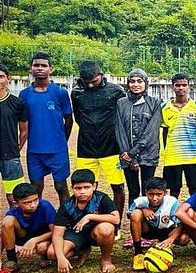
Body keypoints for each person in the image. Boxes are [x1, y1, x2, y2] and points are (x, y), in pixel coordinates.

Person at [72, 61, 126, 219]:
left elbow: (122, 117)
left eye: (93, 81)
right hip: (86, 149)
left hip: (111, 148)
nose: (89, 86)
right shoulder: (76, 93)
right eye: (86, 82)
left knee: (117, 187)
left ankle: (115, 223)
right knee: (85, 189)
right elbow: (78, 118)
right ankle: (88, 221)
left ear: (101, 75)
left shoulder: (116, 91)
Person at [19, 53, 73, 202]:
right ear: (31, 69)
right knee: (35, 188)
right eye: (36, 65)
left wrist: (62, 141)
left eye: (44, 65)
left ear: (51, 69)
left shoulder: (60, 93)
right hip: (34, 151)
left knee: (61, 187)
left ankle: (65, 221)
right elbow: (22, 123)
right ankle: (38, 221)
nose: (40, 68)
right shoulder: (24, 95)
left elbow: (69, 120)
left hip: (57, 150)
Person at [47, 169, 120, 273]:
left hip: (96, 233)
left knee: (106, 229)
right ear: (72, 188)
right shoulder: (67, 205)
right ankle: (83, 250)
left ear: (94, 186)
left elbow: (116, 218)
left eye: (86, 187)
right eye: (78, 188)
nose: (82, 191)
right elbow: (57, 234)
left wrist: (89, 217)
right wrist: (61, 258)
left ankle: (106, 259)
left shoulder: (101, 198)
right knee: (52, 254)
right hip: (75, 234)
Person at [115, 69, 162, 210]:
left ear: (146, 83)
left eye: (139, 81)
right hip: (126, 155)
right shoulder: (121, 103)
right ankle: (134, 221)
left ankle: (146, 224)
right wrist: (128, 155)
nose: (135, 84)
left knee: (147, 190)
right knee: (133, 190)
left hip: (149, 153)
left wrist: (134, 152)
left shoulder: (154, 103)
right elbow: (119, 130)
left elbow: (151, 132)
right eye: (132, 81)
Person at [127, 177, 188, 271]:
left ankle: (164, 246)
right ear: (146, 192)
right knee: (135, 213)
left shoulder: (172, 202)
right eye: (151, 194)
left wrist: (171, 239)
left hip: (166, 231)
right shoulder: (139, 201)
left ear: (165, 192)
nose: (155, 198)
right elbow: (130, 215)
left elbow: (179, 224)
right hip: (148, 230)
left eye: (159, 194)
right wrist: (143, 209)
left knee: (184, 239)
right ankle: (138, 253)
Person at [161, 73, 196, 199]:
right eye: (177, 85)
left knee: (194, 189)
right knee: (174, 190)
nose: (181, 88)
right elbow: (164, 133)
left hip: (193, 157)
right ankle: (173, 217)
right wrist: (167, 150)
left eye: (184, 85)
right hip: (172, 156)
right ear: (172, 87)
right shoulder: (165, 108)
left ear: (189, 87)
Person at [0, 183, 55, 273]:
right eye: (27, 203)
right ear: (16, 203)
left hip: (44, 237)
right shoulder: (13, 212)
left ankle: (45, 257)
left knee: (41, 248)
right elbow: (3, 234)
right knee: (7, 221)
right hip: (24, 235)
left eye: (35, 200)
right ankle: (12, 260)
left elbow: (56, 232)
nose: (33, 205)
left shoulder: (45, 206)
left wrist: (34, 240)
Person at [0, 64, 27, 207]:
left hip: (10, 156)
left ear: (8, 78)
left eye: (1, 77)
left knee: (14, 198)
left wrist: (17, 148)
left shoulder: (17, 103)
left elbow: (24, 130)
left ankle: (15, 226)